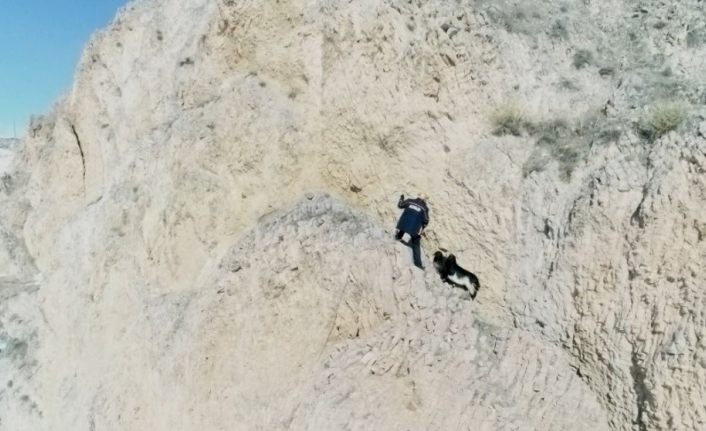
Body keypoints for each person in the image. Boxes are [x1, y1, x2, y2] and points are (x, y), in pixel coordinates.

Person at [395, 194, 429, 268]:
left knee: (405, 223)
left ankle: (398, 237)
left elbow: (400, 205)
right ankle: (418, 264)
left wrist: (401, 198)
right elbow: (426, 220)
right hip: (414, 229)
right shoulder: (424, 208)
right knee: (416, 243)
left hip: (402, 225)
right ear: (425, 200)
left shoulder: (409, 201)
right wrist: (422, 227)